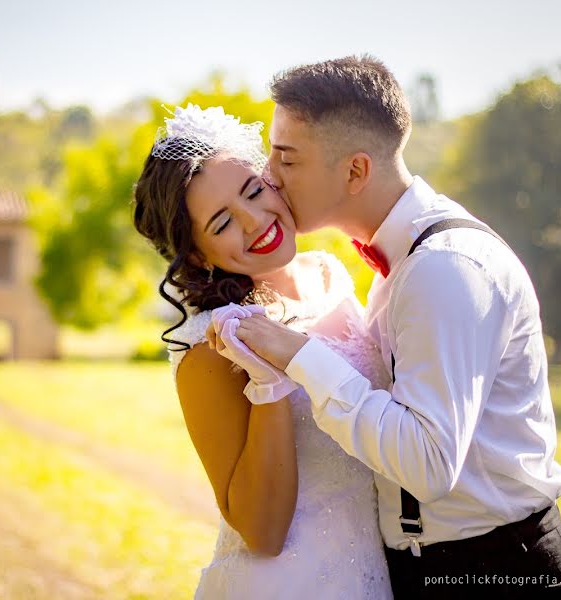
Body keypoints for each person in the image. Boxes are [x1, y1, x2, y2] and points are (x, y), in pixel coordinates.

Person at [210, 55, 561, 598]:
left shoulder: (444, 267)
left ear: (355, 171)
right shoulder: (403, 261)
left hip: (497, 571)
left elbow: (429, 464)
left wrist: (301, 357)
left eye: (287, 158)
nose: (268, 175)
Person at [133, 104, 393, 599]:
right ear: (195, 254)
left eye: (253, 190)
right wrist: (268, 383)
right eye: (222, 222)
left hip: (378, 571)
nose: (255, 221)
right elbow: (263, 532)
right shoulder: (211, 348)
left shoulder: (329, 274)